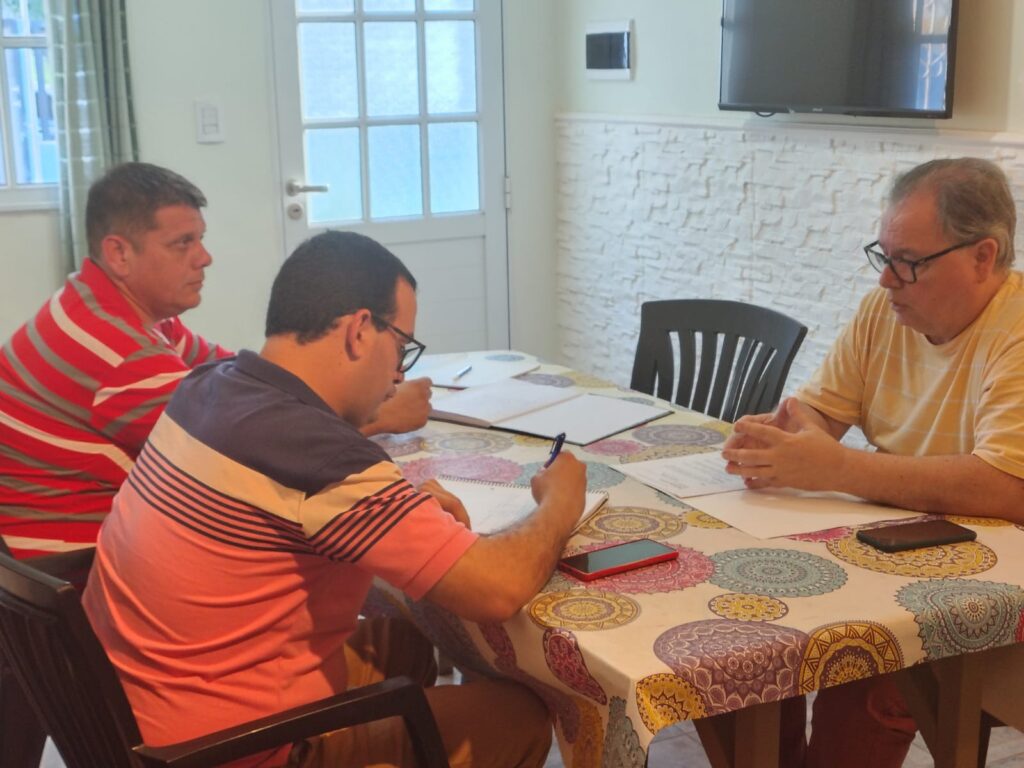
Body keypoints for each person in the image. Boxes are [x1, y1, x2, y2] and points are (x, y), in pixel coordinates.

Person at [82, 230, 588, 767]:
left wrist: (403, 515)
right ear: (359, 331)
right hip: (225, 751)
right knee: (516, 716)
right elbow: (496, 589)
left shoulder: (208, 386)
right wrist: (559, 502)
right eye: (402, 347)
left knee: (403, 644)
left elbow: (289, 506)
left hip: (131, 708)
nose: (398, 373)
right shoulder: (319, 457)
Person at [722, 157, 1024, 767]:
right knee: (747, 629)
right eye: (883, 256)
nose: (887, 280)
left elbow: (1006, 486)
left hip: (991, 588)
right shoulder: (884, 313)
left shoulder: (1014, 330)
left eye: (909, 262)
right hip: (893, 554)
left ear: (982, 257)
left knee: (864, 669)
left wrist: (835, 468)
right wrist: (785, 442)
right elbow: (817, 413)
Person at [0, 162, 431, 561]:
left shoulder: (112, 310)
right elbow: (237, 451)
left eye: (200, 239)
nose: (204, 257)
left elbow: (243, 379)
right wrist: (375, 414)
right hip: (75, 573)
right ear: (119, 254)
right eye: (182, 243)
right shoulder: (117, 351)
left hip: (64, 557)